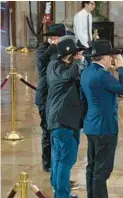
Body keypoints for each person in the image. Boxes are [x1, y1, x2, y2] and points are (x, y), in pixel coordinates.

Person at [81, 40, 123, 198]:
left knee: (92, 169)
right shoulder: (103, 75)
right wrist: (122, 68)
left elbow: (83, 101)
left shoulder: (86, 72)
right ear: (105, 57)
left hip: (91, 125)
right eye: (112, 56)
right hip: (105, 128)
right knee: (102, 171)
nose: (113, 59)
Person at [46, 38, 85, 198]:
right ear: (70, 55)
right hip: (63, 121)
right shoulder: (62, 72)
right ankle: (62, 197)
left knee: (58, 158)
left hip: (58, 120)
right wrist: (80, 61)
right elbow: (70, 75)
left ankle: (59, 190)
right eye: (76, 53)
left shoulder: (53, 65)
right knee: (65, 160)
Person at [36, 24, 69, 173]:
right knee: (47, 130)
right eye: (52, 37)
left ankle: (58, 163)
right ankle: (48, 164)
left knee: (59, 131)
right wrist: (52, 47)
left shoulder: (65, 49)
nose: (54, 39)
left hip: (60, 97)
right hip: (45, 96)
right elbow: (41, 63)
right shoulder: (44, 48)